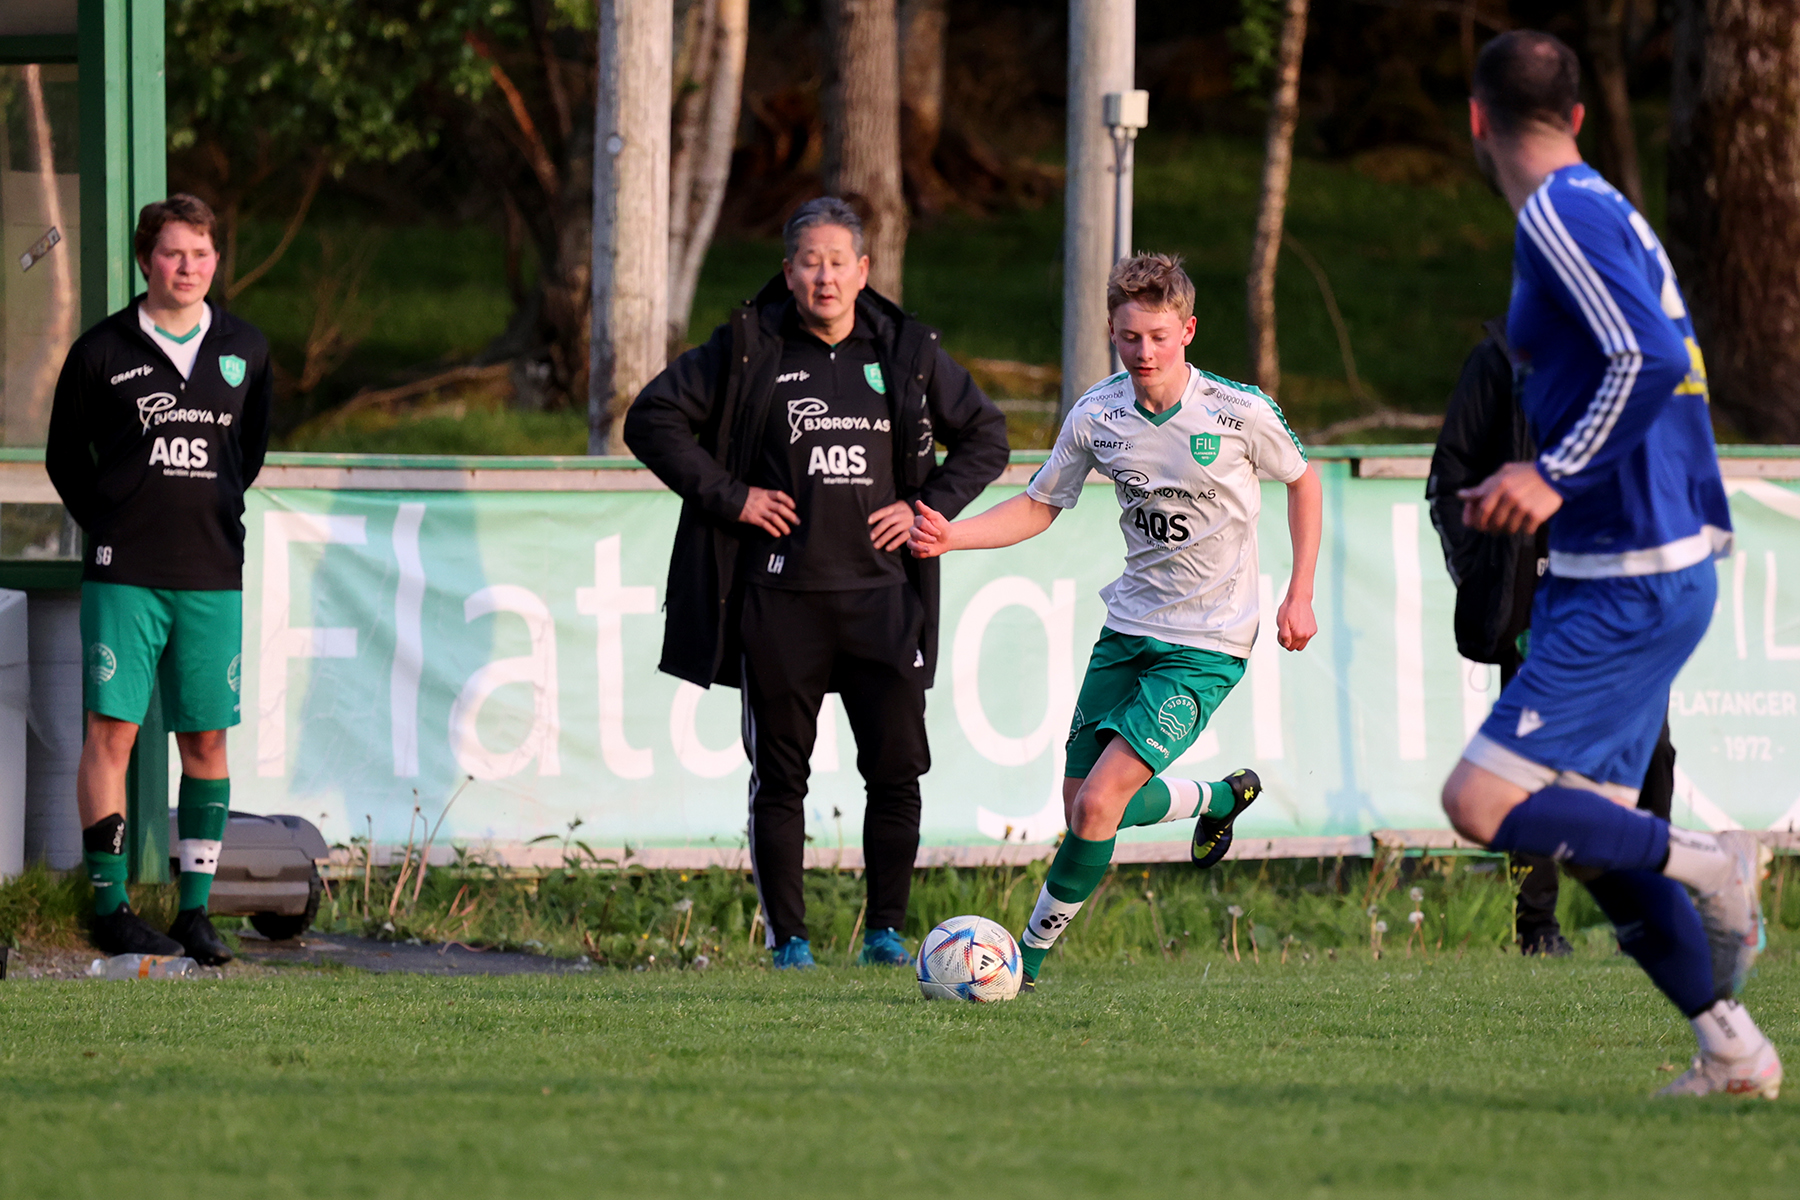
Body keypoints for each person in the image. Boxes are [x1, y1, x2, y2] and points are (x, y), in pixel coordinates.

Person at [1441, 31, 1777, 1098]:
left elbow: (1650, 356)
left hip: (1632, 568)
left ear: (1478, 117)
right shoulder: (1604, 207)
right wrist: (1522, 485)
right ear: (1580, 115)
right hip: (1629, 563)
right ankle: (1731, 1049)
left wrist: (1553, 477)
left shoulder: (1558, 210)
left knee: (1480, 802)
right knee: (1593, 834)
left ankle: (1709, 861)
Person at [909, 252, 1321, 991]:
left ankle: (1021, 965)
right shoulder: (1098, 413)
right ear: (1112, 331)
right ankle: (1222, 797)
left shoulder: (1236, 410)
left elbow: (1304, 479)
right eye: (1130, 337)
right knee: (1082, 808)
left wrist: (1299, 594)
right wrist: (949, 534)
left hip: (1211, 641)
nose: (1145, 352)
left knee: (1101, 803)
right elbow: (1040, 504)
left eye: (1160, 336)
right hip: (1129, 629)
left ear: (1187, 331)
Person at [625, 197, 1009, 969]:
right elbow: (652, 417)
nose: (825, 276)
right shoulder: (747, 346)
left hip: (885, 600)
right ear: (788, 270)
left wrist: (927, 506)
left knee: (897, 774)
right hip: (779, 599)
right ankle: (789, 943)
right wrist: (732, 497)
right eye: (810, 260)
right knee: (780, 779)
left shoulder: (906, 349)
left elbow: (987, 436)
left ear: (864, 271)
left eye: (839, 261)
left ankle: (886, 935)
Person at [45, 194, 272, 964]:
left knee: (207, 736)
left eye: (202, 254)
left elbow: (251, 452)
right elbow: (63, 457)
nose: (188, 268)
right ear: (147, 260)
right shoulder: (101, 350)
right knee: (112, 731)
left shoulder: (246, 347)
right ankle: (108, 906)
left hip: (211, 571)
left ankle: (194, 911)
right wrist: (112, 519)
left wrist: (208, 516)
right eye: (174, 253)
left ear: (216, 261)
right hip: (125, 573)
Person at [1427, 319, 1678, 956]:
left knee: (1653, 755)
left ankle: (1651, 917)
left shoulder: (1631, 354)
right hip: (1538, 594)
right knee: (1531, 762)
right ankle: (1537, 928)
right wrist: (1489, 570)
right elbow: (1450, 474)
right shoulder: (1500, 357)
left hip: (1622, 583)